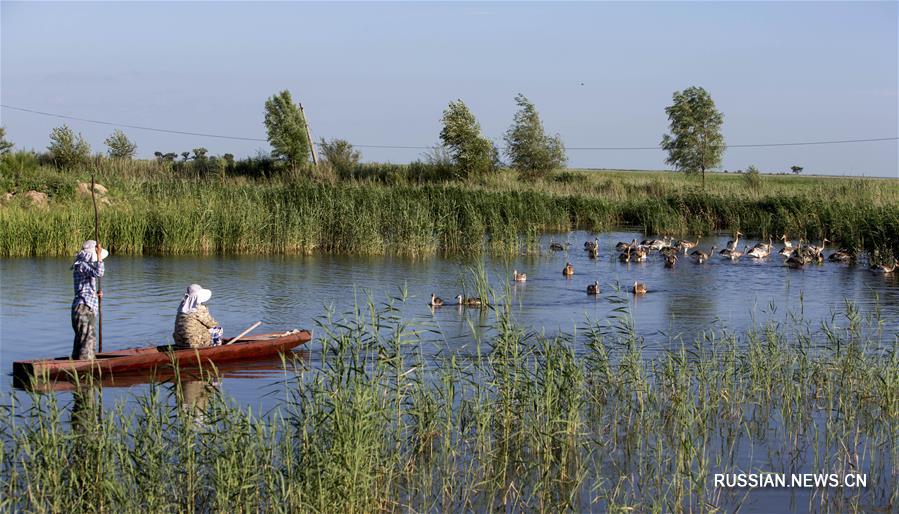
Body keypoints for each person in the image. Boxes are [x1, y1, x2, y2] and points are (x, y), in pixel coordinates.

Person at [71, 240, 107, 360]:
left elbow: (85, 289)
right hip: (84, 309)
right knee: (87, 342)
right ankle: (86, 370)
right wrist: (99, 257)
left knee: (81, 342)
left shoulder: (82, 266)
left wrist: (96, 295)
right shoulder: (82, 265)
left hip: (81, 307)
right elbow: (99, 273)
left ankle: (75, 368)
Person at [173, 284, 223, 348]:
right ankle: (216, 348)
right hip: (195, 344)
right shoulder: (199, 308)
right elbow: (211, 324)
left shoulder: (181, 308)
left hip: (179, 342)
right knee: (218, 329)